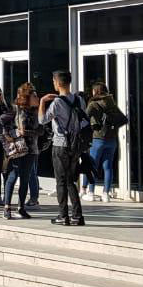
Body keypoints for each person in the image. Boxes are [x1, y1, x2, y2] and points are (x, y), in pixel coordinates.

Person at [39, 71, 89, 226]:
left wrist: (42, 101)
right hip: (75, 145)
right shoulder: (79, 100)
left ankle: (63, 215)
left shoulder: (57, 103)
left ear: (58, 83)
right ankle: (77, 215)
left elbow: (42, 120)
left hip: (60, 144)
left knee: (61, 181)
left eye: (54, 81)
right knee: (70, 181)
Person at [0, 85, 41, 220]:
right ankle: (7, 207)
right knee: (13, 175)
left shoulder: (36, 111)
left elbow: (42, 129)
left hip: (32, 149)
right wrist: (14, 133)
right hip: (18, 148)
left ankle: (21, 207)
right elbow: (2, 121)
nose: (37, 98)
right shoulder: (16, 109)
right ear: (27, 97)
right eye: (34, 96)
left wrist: (29, 132)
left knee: (25, 178)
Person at [84, 82, 126, 203]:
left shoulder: (93, 103)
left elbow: (85, 117)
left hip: (97, 139)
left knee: (92, 166)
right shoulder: (112, 104)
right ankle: (106, 194)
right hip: (111, 140)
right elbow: (123, 119)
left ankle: (91, 193)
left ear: (95, 91)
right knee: (108, 167)